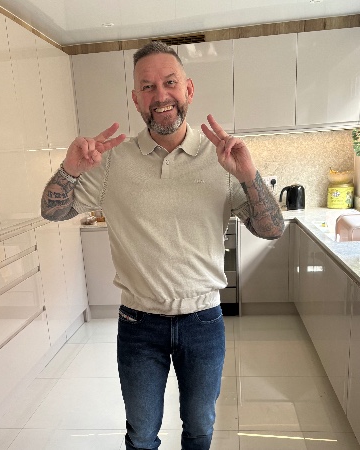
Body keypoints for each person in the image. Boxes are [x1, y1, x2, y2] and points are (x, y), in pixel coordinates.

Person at [41, 41, 284, 450]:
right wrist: (70, 170)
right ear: (136, 99)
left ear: (188, 89)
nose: (160, 95)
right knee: (141, 435)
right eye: (148, 86)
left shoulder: (222, 158)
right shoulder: (112, 162)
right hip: (138, 324)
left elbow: (271, 229)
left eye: (170, 83)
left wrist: (248, 176)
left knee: (200, 429)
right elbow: (54, 211)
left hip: (203, 321)